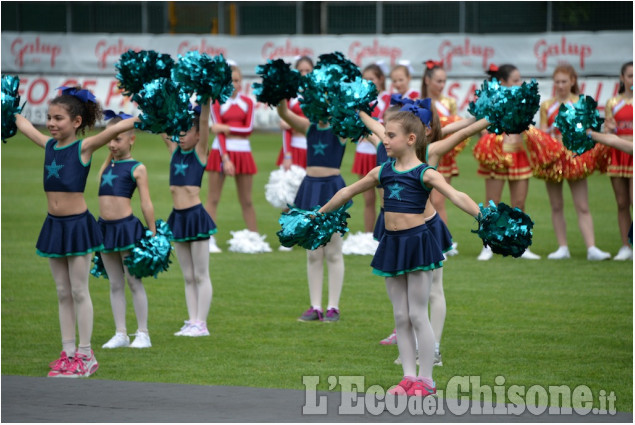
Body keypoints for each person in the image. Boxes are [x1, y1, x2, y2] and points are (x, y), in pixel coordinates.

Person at [319, 101, 481, 397]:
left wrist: (483, 216)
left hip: (418, 244)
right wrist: (319, 214)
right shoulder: (382, 170)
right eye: (385, 135)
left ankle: (427, 380)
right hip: (391, 245)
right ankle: (408, 378)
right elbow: (347, 191)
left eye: (390, 135)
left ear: (410, 139)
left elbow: (457, 196)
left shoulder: (425, 173)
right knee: (400, 316)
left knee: (418, 314)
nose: (385, 140)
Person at [14, 86, 139, 377]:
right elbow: (23, 124)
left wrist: (146, 117)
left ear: (76, 122)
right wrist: (7, 107)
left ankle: (85, 355)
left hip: (78, 227)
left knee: (79, 290)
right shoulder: (47, 145)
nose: (52, 123)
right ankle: (67, 352)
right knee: (62, 292)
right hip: (54, 226)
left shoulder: (83, 148)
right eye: (49, 117)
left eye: (59, 118)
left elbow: (116, 129)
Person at [363, 101, 490, 366]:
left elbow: (462, 132)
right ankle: (409, 344)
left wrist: (492, 117)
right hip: (395, 223)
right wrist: (351, 105)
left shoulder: (431, 149)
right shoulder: (389, 144)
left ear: (420, 133)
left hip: (426, 226)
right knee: (404, 293)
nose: (386, 135)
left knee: (432, 291)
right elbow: (371, 123)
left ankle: (432, 349)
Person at [277, 100, 347, 322]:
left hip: (332, 189)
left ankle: (333, 307)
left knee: (334, 251)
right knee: (313, 253)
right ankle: (315, 306)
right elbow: (284, 113)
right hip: (310, 189)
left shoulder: (340, 129)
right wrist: (279, 95)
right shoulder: (310, 127)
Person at [538, 64, 611, 261]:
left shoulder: (580, 103)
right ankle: (562, 247)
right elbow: (543, 133)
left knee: (582, 205)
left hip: (576, 157)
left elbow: (589, 131)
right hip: (554, 159)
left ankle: (592, 248)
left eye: (564, 81)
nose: (560, 85)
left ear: (572, 81)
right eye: (557, 82)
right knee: (556, 205)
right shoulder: (547, 105)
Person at [97, 110, 156, 349]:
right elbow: (99, 179)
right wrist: (109, 150)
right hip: (105, 229)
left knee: (133, 282)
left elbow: (146, 202)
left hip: (126, 229)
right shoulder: (108, 164)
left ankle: (143, 333)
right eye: (109, 138)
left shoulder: (137, 167)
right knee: (114, 283)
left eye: (117, 139)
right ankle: (120, 333)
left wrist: (152, 231)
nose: (112, 143)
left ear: (132, 139)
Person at [473, 63, 540, 260]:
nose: (519, 83)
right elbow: (482, 128)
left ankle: (521, 245)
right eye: (515, 80)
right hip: (497, 156)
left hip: (518, 155)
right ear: (502, 82)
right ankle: (487, 246)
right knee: (492, 203)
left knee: (519, 203)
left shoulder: (523, 100)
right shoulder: (491, 99)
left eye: (520, 79)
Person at [163, 101, 216, 337]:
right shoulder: (174, 151)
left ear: (197, 135)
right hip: (178, 218)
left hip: (195, 217)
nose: (181, 136)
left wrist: (205, 101)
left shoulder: (200, 153)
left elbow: (204, 122)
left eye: (187, 132)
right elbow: (163, 126)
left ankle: (201, 324)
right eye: (179, 132)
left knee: (200, 274)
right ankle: (192, 320)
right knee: (187, 275)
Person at [205, 64, 258, 253]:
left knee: (247, 200)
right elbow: (217, 134)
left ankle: (254, 238)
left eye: (236, 81)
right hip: (220, 151)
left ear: (241, 82)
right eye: (230, 81)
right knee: (213, 198)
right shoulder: (217, 102)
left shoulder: (248, 102)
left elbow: (248, 129)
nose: (234, 85)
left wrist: (226, 128)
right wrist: (225, 158)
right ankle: (208, 239)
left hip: (243, 152)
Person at [421, 59, 466, 255]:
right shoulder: (419, 101)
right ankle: (431, 241)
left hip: (443, 157)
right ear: (427, 80)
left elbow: (456, 130)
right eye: (438, 81)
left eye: (443, 81)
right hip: (421, 155)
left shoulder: (449, 103)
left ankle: (443, 243)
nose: (441, 85)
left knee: (439, 201)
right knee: (424, 202)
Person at [351, 63, 391, 233]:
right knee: (367, 199)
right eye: (364, 79)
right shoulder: (360, 101)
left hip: (383, 153)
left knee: (385, 199)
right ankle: (368, 236)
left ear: (381, 79)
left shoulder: (388, 99)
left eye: (372, 79)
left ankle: (386, 234)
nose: (368, 83)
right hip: (364, 153)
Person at [604, 61, 633, 260]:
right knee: (622, 202)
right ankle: (625, 246)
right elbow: (607, 132)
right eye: (630, 76)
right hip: (617, 155)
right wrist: (610, 129)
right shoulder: (613, 103)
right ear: (622, 78)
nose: (633, 80)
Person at [276, 56, 314, 171]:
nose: (303, 74)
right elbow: (285, 127)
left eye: (307, 71)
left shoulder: (319, 96)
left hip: (314, 148)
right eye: (300, 71)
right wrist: (287, 154)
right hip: (294, 148)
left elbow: (320, 124)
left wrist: (293, 123)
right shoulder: (290, 95)